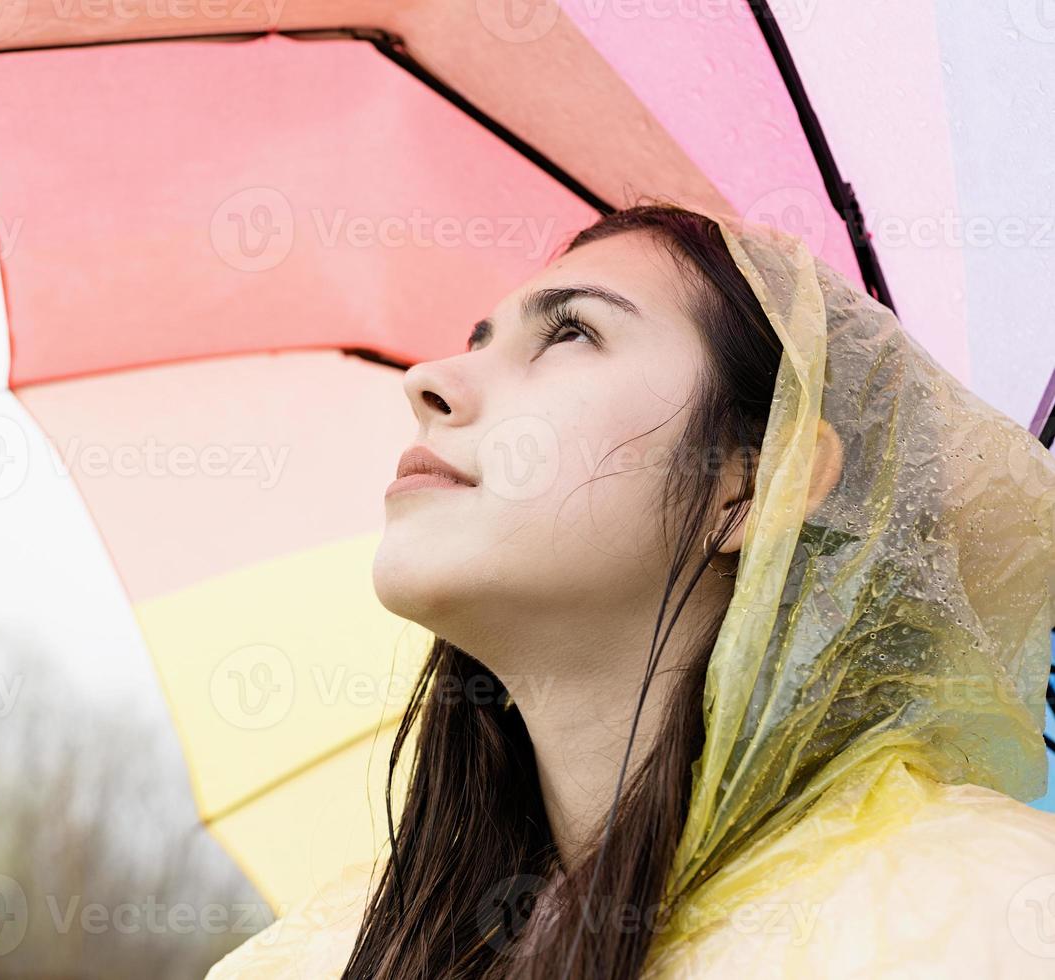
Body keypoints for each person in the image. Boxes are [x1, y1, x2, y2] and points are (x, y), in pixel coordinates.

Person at [206, 203, 1055, 978]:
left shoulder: (984, 923)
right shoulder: (311, 960)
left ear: (751, 486)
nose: (427, 380)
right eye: (477, 339)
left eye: (569, 333)